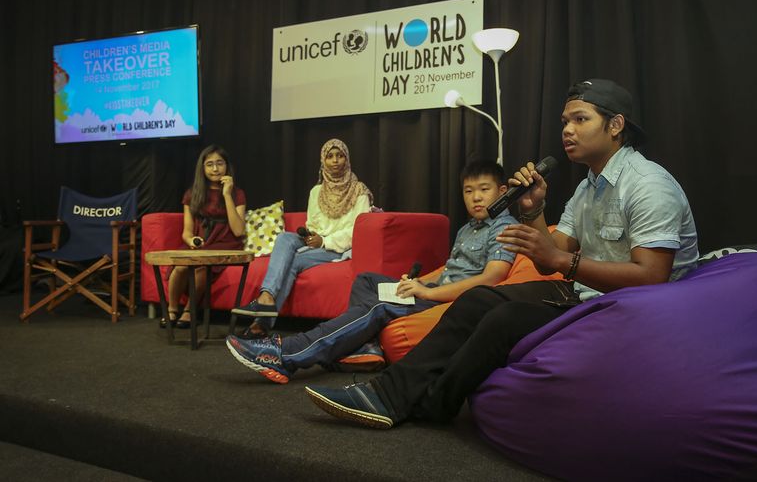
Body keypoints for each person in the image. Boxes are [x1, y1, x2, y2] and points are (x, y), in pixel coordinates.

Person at [303, 78, 700, 429]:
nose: (568, 130)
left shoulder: (648, 184)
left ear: (615, 126)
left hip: (635, 309)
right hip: (589, 293)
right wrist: (533, 210)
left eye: (580, 120)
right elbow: (559, 245)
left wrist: (562, 263)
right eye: (565, 121)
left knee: (504, 318)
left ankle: (432, 403)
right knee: (478, 299)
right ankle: (389, 393)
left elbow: (651, 277)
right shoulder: (590, 185)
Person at [224, 159, 518, 384]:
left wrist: (427, 291)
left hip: (451, 303)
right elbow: (451, 271)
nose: (476, 197)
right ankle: (367, 348)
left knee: (377, 307)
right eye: (469, 191)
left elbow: (491, 278)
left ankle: (284, 354)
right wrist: (417, 281)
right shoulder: (468, 228)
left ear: (502, 191)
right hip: (436, 291)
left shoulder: (505, 227)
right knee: (367, 280)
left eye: (484, 190)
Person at [231, 138, 373, 337]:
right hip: (315, 241)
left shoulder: (359, 191)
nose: (335, 161)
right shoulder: (316, 191)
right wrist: (312, 236)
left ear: (347, 159)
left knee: (294, 262)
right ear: (323, 160)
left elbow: (359, 230)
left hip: (337, 247)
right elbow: (312, 223)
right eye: (330, 156)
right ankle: (267, 296)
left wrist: (324, 241)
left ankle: (262, 323)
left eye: (340, 156)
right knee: (284, 238)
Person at [161, 144, 246, 329]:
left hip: (226, 243)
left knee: (202, 268)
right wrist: (192, 240)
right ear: (202, 168)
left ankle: (190, 311)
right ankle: (172, 309)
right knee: (181, 266)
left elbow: (239, 230)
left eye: (219, 163)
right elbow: (187, 232)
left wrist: (227, 195)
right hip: (202, 243)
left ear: (227, 166)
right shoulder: (192, 194)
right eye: (209, 164)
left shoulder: (237, 193)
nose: (215, 169)